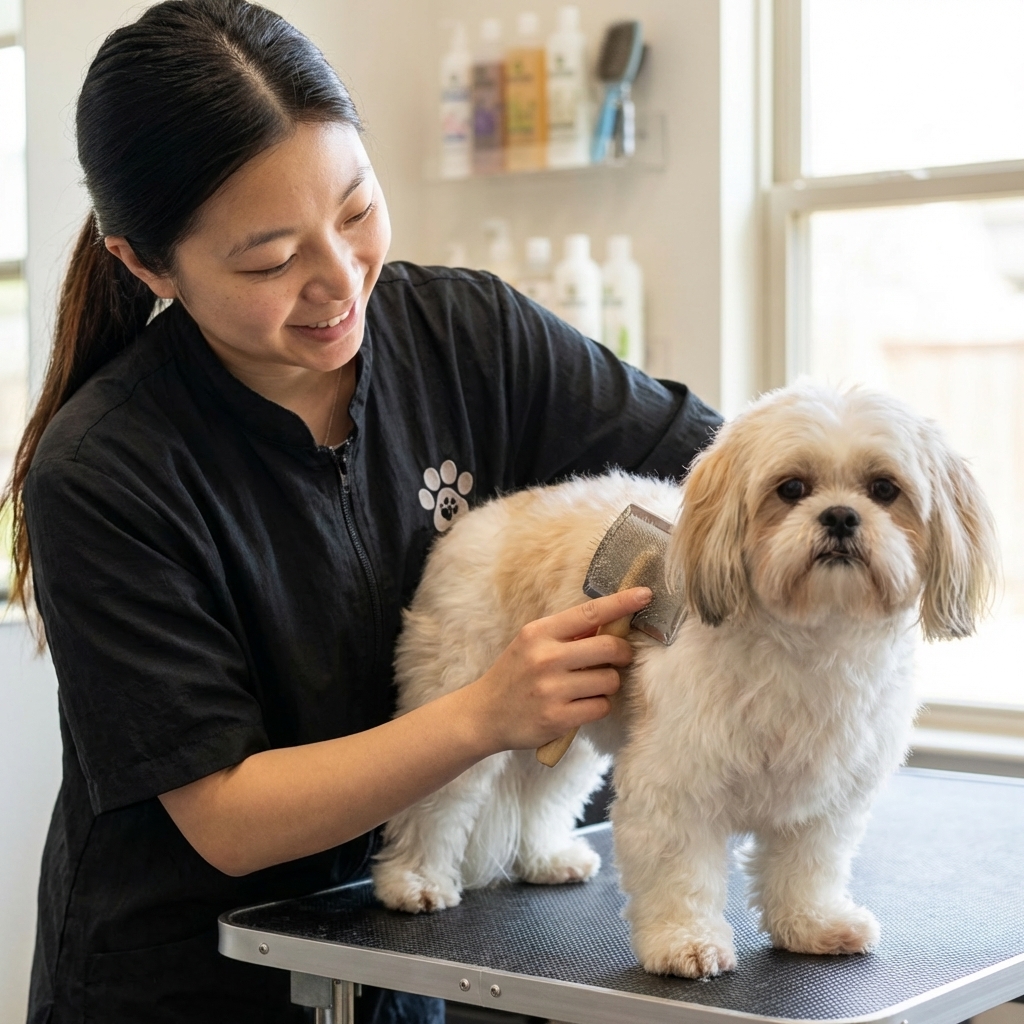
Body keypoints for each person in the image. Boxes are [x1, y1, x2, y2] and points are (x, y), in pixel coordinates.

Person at [1, 1, 721, 1021]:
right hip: (184, 981)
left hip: (400, 957)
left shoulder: (472, 337)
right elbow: (228, 816)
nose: (338, 280)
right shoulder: (105, 472)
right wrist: (487, 713)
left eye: (354, 210)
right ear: (145, 264)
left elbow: (721, 477)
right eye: (266, 260)